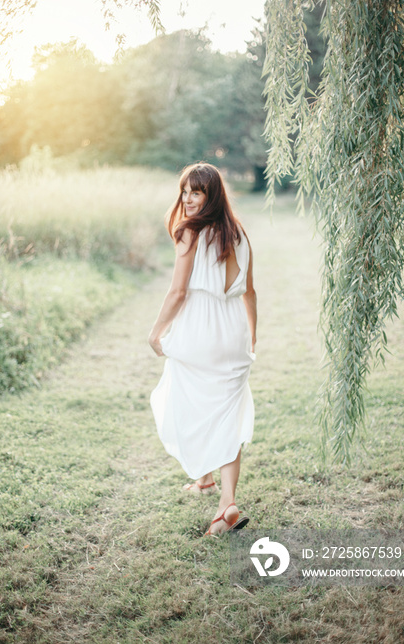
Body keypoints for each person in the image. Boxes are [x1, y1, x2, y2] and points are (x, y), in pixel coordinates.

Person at [148, 163, 257, 537]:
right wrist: (252, 337)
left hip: (200, 328)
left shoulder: (189, 232)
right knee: (225, 411)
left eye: (197, 192)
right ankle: (217, 491)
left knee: (190, 402)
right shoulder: (239, 233)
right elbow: (250, 292)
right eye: (184, 191)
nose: (188, 199)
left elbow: (178, 292)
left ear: (212, 195)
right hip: (233, 330)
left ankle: (220, 496)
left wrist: (156, 330)